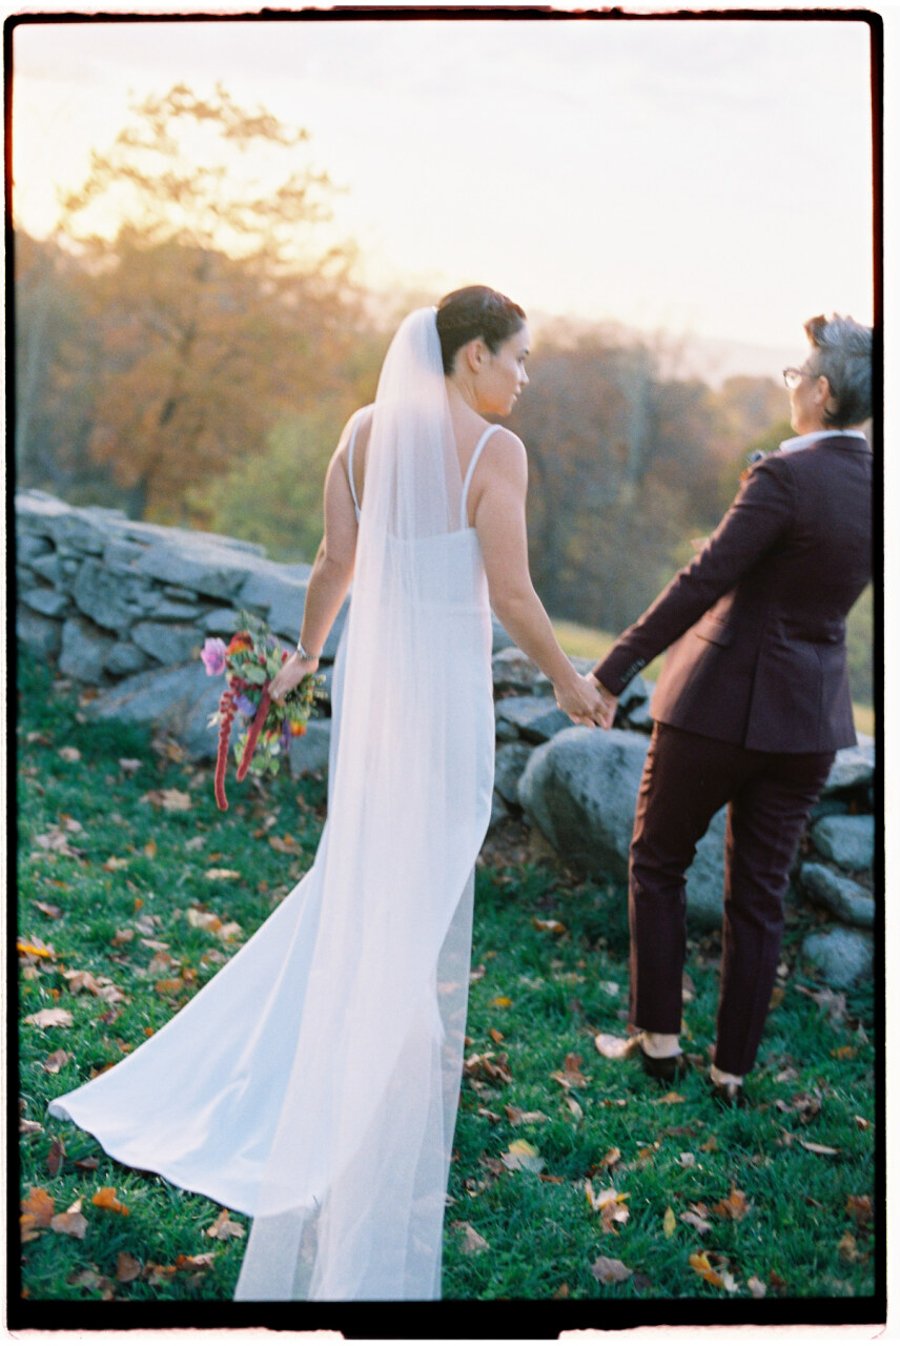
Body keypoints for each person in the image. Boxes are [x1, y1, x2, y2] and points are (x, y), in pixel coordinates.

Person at [48, 286, 607, 1300]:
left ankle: (351, 1040)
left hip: (376, 693)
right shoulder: (496, 454)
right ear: (471, 354)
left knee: (364, 868)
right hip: (438, 705)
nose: (524, 377)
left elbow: (332, 563)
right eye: (517, 357)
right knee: (420, 875)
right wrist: (570, 680)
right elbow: (515, 592)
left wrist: (303, 659)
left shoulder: (361, 432)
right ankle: (378, 1063)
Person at [592, 313, 873, 1104]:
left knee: (659, 861)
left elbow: (701, 580)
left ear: (821, 391)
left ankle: (659, 1042)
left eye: (797, 376)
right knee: (761, 896)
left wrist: (613, 669)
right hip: (811, 723)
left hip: (717, 706)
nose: (794, 387)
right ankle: (732, 1072)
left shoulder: (785, 477)